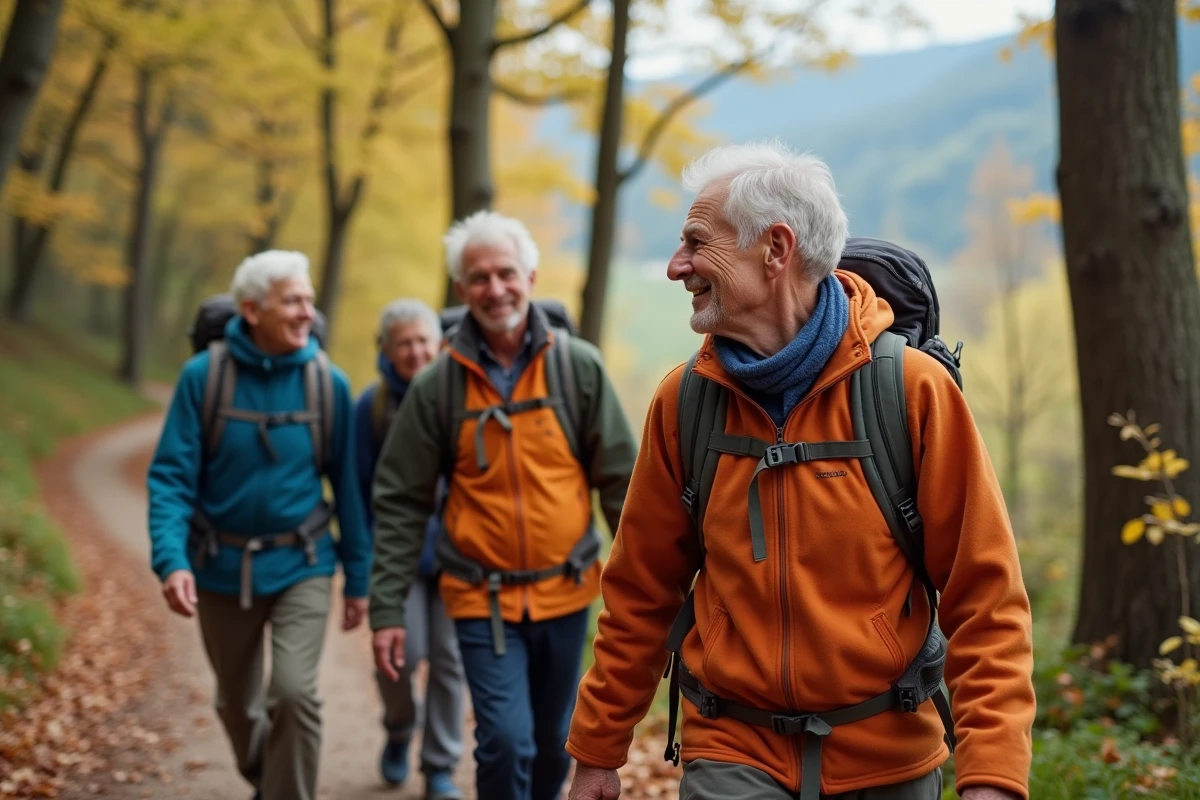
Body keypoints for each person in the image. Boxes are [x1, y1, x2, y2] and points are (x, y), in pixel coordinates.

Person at [564, 142, 1035, 800]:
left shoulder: (912, 394)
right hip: (731, 747)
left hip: (887, 755)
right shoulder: (686, 402)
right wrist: (597, 749)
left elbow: (986, 601)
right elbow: (641, 592)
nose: (677, 267)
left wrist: (993, 775)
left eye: (697, 243)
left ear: (776, 249)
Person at [369, 210, 639, 800]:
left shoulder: (576, 367)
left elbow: (624, 486)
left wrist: (650, 590)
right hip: (479, 598)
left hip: (566, 591)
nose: (495, 289)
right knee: (505, 740)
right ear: (462, 291)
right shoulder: (439, 384)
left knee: (550, 743)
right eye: (480, 278)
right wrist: (387, 606)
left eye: (506, 273)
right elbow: (400, 502)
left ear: (531, 276)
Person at [147, 250, 372, 800]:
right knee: (236, 706)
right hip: (220, 566)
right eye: (292, 300)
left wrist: (360, 580)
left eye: (309, 300)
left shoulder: (328, 384)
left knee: (294, 694)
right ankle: (271, 782)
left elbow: (349, 489)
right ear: (251, 308)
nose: (306, 313)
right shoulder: (205, 377)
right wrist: (171, 559)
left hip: (304, 561)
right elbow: (171, 477)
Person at [353, 298, 465, 799]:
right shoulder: (371, 408)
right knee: (401, 652)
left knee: (449, 659)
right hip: (396, 557)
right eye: (404, 343)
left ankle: (439, 766)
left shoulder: (460, 396)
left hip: (458, 555)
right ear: (386, 350)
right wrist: (360, 570)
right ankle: (399, 726)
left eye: (423, 340)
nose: (416, 351)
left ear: (439, 343)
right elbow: (355, 493)